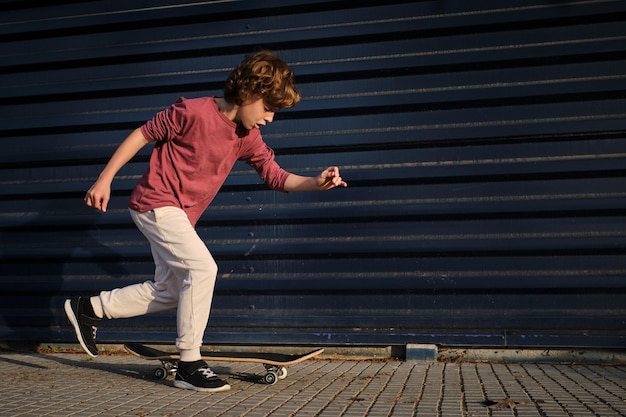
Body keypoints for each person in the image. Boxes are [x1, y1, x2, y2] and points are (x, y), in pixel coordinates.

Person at [64, 50, 347, 393]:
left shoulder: (247, 137)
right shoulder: (193, 111)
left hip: (178, 216)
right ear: (248, 93)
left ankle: (90, 308)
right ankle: (189, 362)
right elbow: (142, 134)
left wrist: (316, 182)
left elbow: (275, 176)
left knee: (170, 291)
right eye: (268, 108)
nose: (270, 118)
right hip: (155, 203)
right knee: (203, 270)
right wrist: (105, 178)